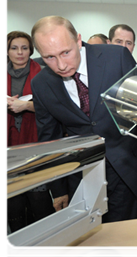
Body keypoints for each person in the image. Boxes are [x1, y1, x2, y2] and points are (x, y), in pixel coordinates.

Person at [30, 16, 137, 223]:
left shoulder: (116, 57)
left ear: (78, 40)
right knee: (87, 234)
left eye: (66, 52)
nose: (61, 65)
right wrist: (59, 189)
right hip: (81, 172)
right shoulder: (40, 84)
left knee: (124, 230)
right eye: (49, 58)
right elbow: (49, 138)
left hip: (123, 162)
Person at [5, 31, 55, 233]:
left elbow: (52, 107)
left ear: (31, 50)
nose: (20, 53)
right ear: (6, 51)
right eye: (14, 48)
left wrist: (25, 106)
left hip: (37, 142)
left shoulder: (44, 74)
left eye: (24, 48)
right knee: (13, 200)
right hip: (8, 147)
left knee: (39, 198)